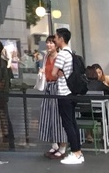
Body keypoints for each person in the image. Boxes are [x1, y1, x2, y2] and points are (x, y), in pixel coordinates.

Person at [52, 28, 85, 166]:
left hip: (64, 93)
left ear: (61, 38)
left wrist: (57, 72)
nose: (54, 40)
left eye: (56, 37)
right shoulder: (71, 53)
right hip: (72, 92)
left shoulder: (61, 55)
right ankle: (78, 152)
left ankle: (76, 152)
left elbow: (53, 73)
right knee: (72, 122)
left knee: (67, 124)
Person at [37, 37, 66, 158]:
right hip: (48, 87)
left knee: (59, 117)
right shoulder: (46, 57)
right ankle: (54, 144)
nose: (49, 45)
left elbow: (63, 74)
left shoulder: (60, 57)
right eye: (48, 42)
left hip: (58, 88)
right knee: (47, 115)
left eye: (51, 43)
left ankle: (63, 147)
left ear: (56, 45)